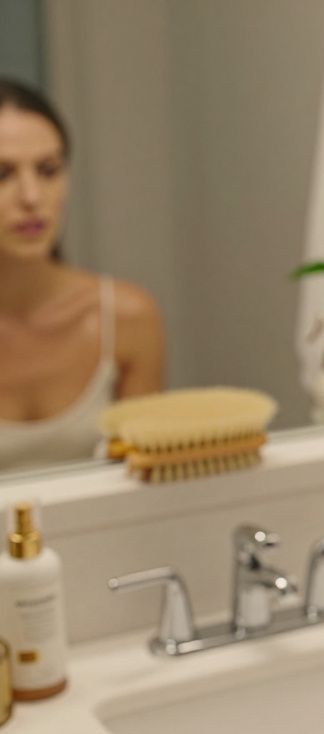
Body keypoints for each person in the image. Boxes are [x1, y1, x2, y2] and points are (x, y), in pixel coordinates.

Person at [0, 78, 164, 471]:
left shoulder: (126, 318)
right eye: (2, 174)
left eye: (48, 170)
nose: (31, 197)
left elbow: (144, 489)